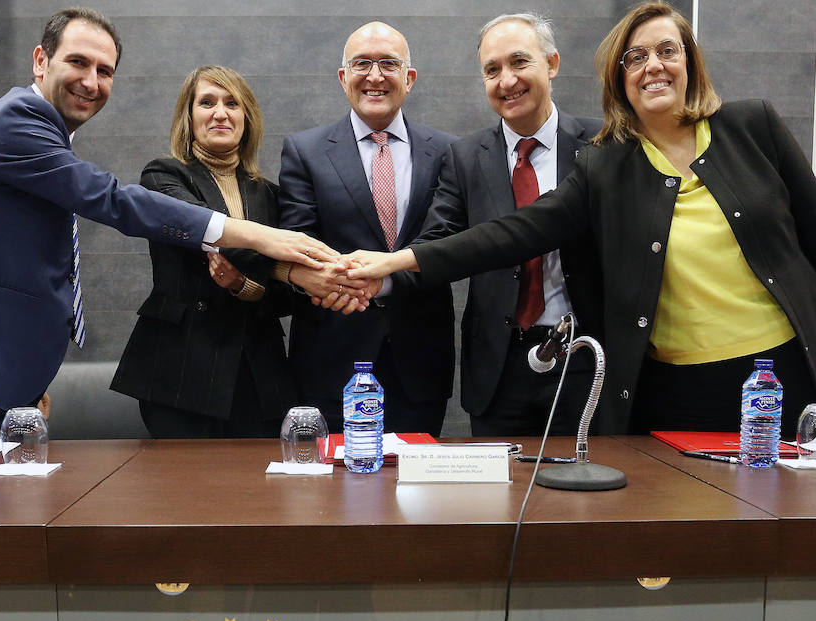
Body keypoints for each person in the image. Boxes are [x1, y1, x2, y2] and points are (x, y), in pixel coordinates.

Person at [346, 1, 816, 436]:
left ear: (690, 60)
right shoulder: (609, 163)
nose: (653, 66)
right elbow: (508, 235)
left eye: (666, 51)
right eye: (636, 57)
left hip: (784, 362)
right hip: (676, 377)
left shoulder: (750, 126)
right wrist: (394, 261)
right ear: (620, 76)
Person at [0, 7, 334, 443]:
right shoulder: (17, 119)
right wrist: (260, 234)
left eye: (105, 71)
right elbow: (113, 201)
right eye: (78, 62)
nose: (91, 80)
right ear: (41, 60)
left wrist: (24, 383)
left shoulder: (48, 136)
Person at [417, 13, 601, 437]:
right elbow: (439, 242)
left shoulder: (602, 144)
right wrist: (377, 275)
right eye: (492, 70)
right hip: (499, 368)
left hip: (584, 359)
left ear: (551, 64)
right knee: (498, 499)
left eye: (520, 62)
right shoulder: (464, 157)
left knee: (584, 494)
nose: (507, 80)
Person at [278, 21, 458, 435]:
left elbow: (447, 242)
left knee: (414, 495)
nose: (374, 76)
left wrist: (386, 279)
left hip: (420, 360)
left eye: (389, 64)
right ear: (344, 78)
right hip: (331, 356)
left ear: (408, 79)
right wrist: (347, 284)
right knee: (335, 493)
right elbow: (300, 242)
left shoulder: (447, 151)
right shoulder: (305, 151)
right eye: (362, 64)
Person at [111, 67, 297, 438]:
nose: (220, 113)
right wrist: (280, 264)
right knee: (182, 492)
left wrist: (246, 286)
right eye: (207, 102)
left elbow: (288, 297)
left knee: (260, 493)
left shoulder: (271, 195)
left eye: (232, 103)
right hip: (179, 369)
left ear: (247, 118)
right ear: (189, 115)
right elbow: (206, 230)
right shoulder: (162, 176)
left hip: (257, 371)